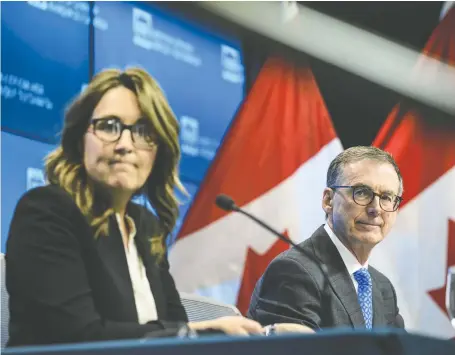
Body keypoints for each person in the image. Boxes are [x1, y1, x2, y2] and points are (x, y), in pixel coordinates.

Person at [6, 68, 270, 347]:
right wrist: (198, 331)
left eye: (143, 132)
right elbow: (77, 338)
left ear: (159, 151)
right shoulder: (46, 211)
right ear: (80, 137)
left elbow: (175, 332)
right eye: (109, 126)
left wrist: (267, 335)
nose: (125, 144)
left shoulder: (146, 226)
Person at [248, 146, 406, 331]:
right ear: (328, 200)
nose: (376, 208)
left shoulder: (382, 287)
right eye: (362, 192)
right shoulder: (294, 271)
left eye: (387, 197)